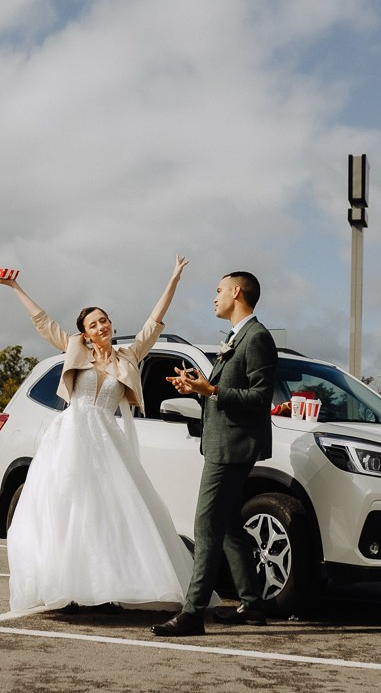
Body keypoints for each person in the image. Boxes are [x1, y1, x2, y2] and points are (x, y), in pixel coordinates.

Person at [0, 255, 199, 614]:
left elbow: (154, 322)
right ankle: (68, 588)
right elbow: (43, 322)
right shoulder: (75, 348)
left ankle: (107, 588)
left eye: (104, 320)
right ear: (85, 332)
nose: (101, 326)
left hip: (106, 439)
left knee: (109, 513)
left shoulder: (128, 356)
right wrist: (15, 287)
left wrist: (174, 279)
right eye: (94, 323)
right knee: (70, 511)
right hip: (70, 438)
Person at [152, 270, 278, 637]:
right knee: (227, 526)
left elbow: (259, 398)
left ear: (236, 292)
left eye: (219, 290)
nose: (215, 296)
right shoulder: (236, 336)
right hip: (224, 442)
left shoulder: (256, 337)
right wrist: (197, 388)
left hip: (233, 446)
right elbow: (227, 391)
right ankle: (252, 604)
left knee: (205, 525)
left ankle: (191, 614)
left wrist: (210, 390)